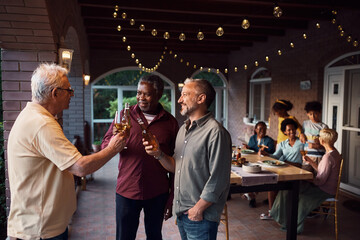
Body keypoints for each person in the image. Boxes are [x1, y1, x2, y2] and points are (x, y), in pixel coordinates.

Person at [7, 63, 126, 240]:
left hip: (40, 224)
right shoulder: (42, 124)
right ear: (55, 93)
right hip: (40, 229)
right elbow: (80, 167)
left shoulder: (32, 116)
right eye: (69, 90)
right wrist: (112, 149)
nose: (72, 95)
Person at [144, 78, 232, 239]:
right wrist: (159, 154)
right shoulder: (184, 129)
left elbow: (219, 179)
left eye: (184, 94)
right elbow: (176, 166)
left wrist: (198, 209)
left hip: (201, 216)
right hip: (183, 212)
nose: (179, 100)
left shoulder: (216, 133)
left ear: (201, 98)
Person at [101, 74, 179, 240]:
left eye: (147, 94)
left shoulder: (170, 123)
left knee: (154, 236)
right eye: (138, 93)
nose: (140, 98)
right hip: (127, 190)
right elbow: (104, 145)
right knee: (124, 237)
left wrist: (171, 198)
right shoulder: (124, 116)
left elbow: (175, 162)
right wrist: (114, 141)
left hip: (157, 192)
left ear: (159, 95)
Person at [270, 128, 341, 234]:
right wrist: (310, 162)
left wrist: (308, 178)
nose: (318, 139)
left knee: (297, 195)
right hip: (324, 186)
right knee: (288, 190)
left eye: (319, 137)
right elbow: (322, 171)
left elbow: (320, 181)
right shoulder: (334, 153)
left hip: (324, 190)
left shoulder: (328, 157)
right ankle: (285, 219)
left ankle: (292, 225)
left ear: (323, 141)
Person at [259, 118, 303, 220]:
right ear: (285, 132)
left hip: (297, 172)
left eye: (293, 129)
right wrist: (266, 154)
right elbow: (275, 157)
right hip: (284, 171)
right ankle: (271, 213)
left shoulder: (301, 143)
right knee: (271, 186)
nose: (291, 132)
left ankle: (280, 213)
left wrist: (287, 163)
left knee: (277, 187)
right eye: (289, 130)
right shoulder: (283, 144)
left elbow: (303, 162)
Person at [242, 121, 275, 207]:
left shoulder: (269, 141)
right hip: (253, 161)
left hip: (265, 163)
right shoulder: (253, 138)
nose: (262, 131)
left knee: (256, 173)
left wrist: (265, 152)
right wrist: (247, 147)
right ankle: (252, 196)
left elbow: (272, 154)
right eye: (260, 129)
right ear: (256, 130)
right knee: (249, 172)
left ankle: (252, 194)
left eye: (264, 129)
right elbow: (251, 149)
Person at [302, 101, 328, 172]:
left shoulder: (323, 127)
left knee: (318, 177)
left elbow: (326, 145)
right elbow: (302, 134)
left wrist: (315, 146)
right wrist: (301, 134)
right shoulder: (305, 124)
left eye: (315, 113)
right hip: (307, 157)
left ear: (320, 112)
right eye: (310, 114)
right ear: (307, 114)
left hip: (319, 157)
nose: (313, 116)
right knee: (305, 177)